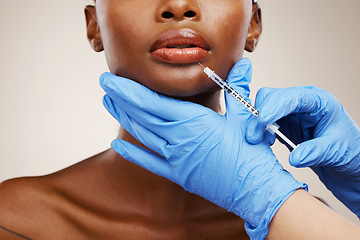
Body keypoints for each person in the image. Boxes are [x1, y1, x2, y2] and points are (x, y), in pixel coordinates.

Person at [0, 0, 265, 239]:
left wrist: (289, 209)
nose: (178, 5)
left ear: (252, 24)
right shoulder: (12, 221)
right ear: (95, 27)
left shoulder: (291, 218)